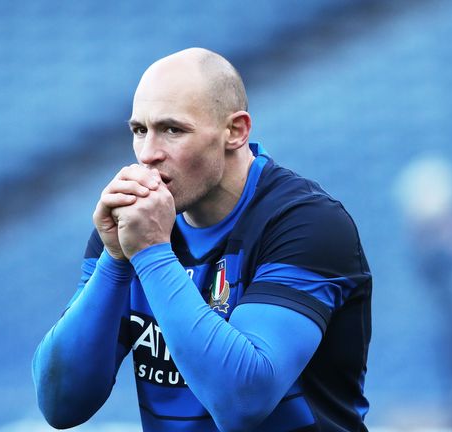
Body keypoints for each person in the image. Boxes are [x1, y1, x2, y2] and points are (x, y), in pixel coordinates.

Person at [32, 47, 373, 432]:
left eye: (172, 130)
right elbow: (62, 404)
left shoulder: (306, 223)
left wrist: (151, 254)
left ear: (235, 131)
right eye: (139, 130)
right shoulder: (134, 224)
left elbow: (243, 402)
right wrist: (114, 260)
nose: (147, 155)